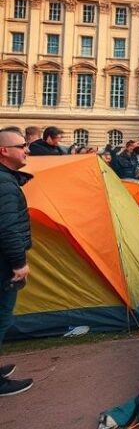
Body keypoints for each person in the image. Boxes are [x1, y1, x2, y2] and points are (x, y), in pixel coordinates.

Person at [0, 128, 34, 396]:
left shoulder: (6, 180)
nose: (27, 150)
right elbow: (8, 228)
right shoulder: (4, 184)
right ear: (4, 151)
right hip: (4, 265)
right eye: (22, 146)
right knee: (1, 318)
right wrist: (19, 263)